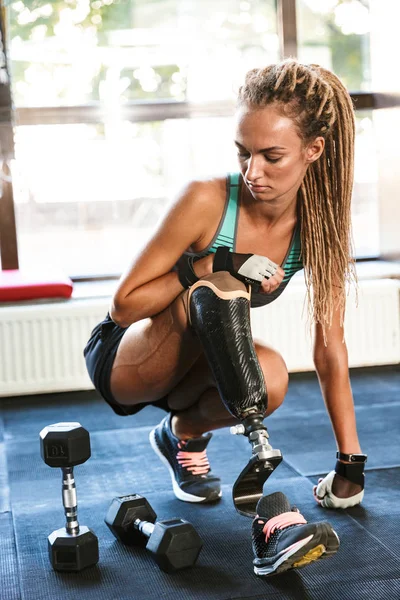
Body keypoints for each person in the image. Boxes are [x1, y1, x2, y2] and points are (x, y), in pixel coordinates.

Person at [84, 59, 367, 576]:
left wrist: (350, 462)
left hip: (203, 364)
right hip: (131, 356)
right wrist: (214, 263)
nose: (252, 171)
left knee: (275, 377)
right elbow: (123, 305)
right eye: (243, 152)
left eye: (271, 156)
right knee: (222, 284)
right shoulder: (206, 199)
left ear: (314, 150)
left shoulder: (321, 224)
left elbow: (330, 346)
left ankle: (182, 435)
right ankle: (228, 445)